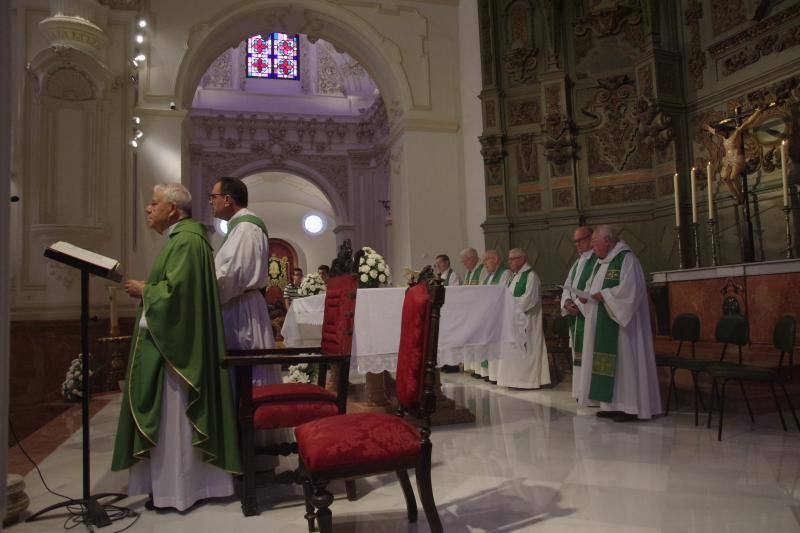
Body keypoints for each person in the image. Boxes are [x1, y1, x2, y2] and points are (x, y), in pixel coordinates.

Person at [112, 183, 239, 511]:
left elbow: (178, 297)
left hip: (178, 357)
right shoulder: (184, 239)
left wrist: (146, 291)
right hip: (176, 348)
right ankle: (173, 487)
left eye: (154, 203)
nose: (147, 209)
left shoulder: (185, 241)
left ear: (173, 209)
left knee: (175, 423)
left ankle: (179, 490)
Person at [577, 225, 661, 422]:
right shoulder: (601, 263)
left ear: (608, 241)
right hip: (602, 319)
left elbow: (630, 291)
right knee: (607, 364)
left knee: (625, 363)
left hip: (622, 325)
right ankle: (611, 404)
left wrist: (604, 295)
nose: (593, 248)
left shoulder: (626, 259)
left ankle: (629, 407)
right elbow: (592, 288)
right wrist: (586, 298)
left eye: (595, 243)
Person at [209, 177, 279, 388]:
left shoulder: (246, 228)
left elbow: (235, 274)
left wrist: (207, 294)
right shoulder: (238, 227)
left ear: (228, 199)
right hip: (237, 303)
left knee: (247, 373)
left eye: (213, 197)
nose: (211, 201)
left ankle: (248, 417)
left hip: (241, 308)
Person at [497, 249, 550, 390]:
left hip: (527, 321)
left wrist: (510, 307)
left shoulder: (531, 276)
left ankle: (526, 382)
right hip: (512, 320)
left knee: (527, 350)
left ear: (522, 259)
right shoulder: (514, 277)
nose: (510, 262)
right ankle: (514, 380)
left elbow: (529, 299)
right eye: (509, 259)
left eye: (513, 259)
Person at [560, 226, 597, 400]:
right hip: (576, 314)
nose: (577, 244)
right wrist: (567, 302)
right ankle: (580, 391)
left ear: (591, 238)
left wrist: (576, 305)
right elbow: (568, 285)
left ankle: (590, 392)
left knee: (589, 354)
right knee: (578, 355)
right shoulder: (577, 263)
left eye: (580, 240)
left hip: (588, 315)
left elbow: (593, 288)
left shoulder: (598, 260)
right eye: (575, 241)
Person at [703, 106, 765, 204]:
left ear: (724, 130)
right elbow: (714, 131)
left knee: (733, 177)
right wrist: (707, 127)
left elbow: (748, 122)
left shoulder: (736, 133)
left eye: (721, 132)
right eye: (719, 133)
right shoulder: (723, 136)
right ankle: (737, 196)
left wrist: (757, 112)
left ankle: (741, 196)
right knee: (724, 178)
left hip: (737, 158)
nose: (720, 135)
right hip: (728, 159)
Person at [481, 249, 512, 383]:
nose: (484, 263)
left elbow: (501, 294)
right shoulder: (488, 276)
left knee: (496, 346)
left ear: (496, 260)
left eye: (487, 260)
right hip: (489, 315)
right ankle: (491, 374)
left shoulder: (505, 273)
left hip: (498, 317)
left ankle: (498, 375)